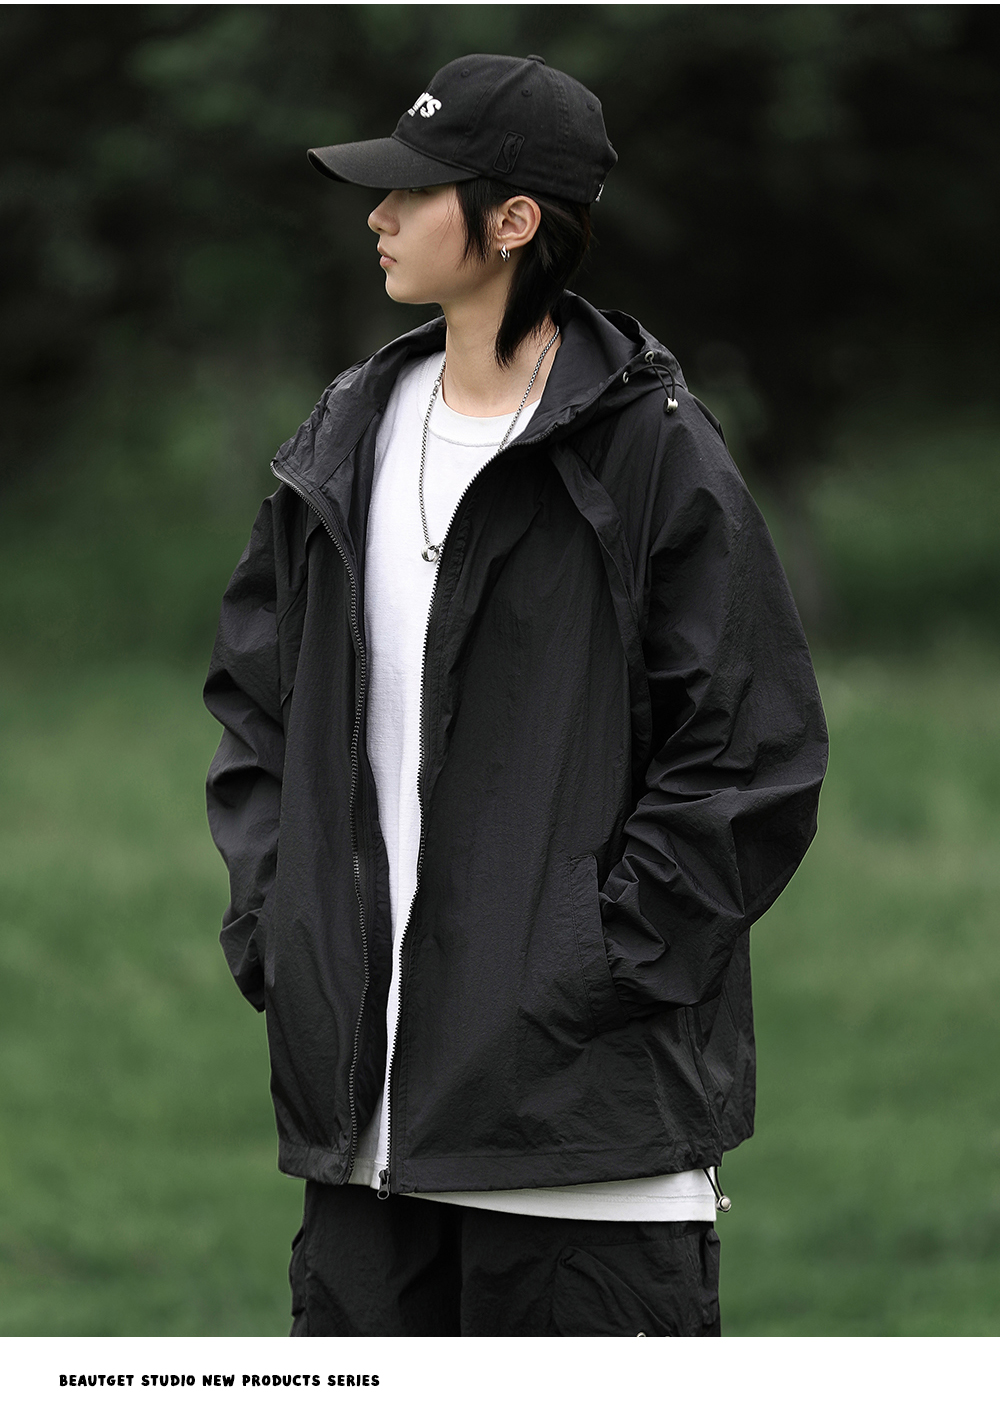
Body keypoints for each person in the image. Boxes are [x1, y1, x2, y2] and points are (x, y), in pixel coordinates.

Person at [204, 53, 828, 1337]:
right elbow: (258, 706)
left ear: (511, 221)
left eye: (412, 192)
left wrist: (590, 966)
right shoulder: (345, 434)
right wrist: (283, 924)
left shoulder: (652, 450)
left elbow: (749, 752)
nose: (378, 216)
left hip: (582, 1161)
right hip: (363, 1158)